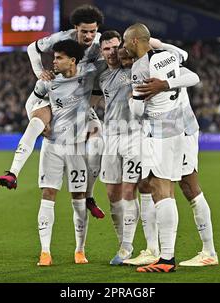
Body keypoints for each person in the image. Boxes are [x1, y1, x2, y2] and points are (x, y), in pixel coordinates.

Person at [0, 5, 105, 218]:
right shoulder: (61, 38)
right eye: (84, 31)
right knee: (36, 123)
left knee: (98, 139)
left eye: (93, 31)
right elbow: (31, 48)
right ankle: (13, 173)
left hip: (78, 99)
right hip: (54, 92)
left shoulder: (102, 44)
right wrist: (40, 73)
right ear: (75, 28)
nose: (89, 35)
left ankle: (90, 196)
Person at [127, 47, 219, 267]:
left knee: (185, 187)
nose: (120, 52)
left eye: (123, 47)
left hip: (180, 130)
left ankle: (206, 252)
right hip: (161, 132)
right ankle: (154, 249)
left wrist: (157, 87)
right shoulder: (146, 66)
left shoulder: (158, 64)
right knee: (149, 184)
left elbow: (192, 75)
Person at [27, 39, 100, 266]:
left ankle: (80, 250)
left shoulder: (89, 75)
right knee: (48, 194)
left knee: (78, 199)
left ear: (73, 61)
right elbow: (32, 103)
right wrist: (38, 120)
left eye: (59, 58)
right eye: (53, 57)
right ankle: (45, 252)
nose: (54, 62)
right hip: (52, 146)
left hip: (77, 148)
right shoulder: (48, 82)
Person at [123, 23, 186, 273]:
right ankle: (165, 256)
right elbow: (187, 66)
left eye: (127, 41)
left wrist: (131, 99)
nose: (125, 46)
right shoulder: (167, 56)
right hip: (175, 124)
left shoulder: (140, 67)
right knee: (165, 188)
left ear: (137, 40)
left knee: (160, 189)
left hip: (157, 128)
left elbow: (138, 111)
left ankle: (167, 259)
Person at [94, 31, 142, 265]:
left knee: (129, 191)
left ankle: (127, 247)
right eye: (106, 49)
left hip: (133, 136)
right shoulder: (101, 78)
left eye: (115, 47)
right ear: (102, 52)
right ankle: (122, 241)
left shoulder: (134, 69)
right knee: (112, 193)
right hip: (110, 137)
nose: (112, 52)